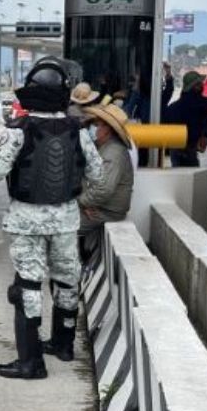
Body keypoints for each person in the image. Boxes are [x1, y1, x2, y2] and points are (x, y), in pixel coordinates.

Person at [0, 57, 104, 378]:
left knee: (28, 284)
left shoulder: (16, 131)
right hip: (66, 218)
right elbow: (97, 172)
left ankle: (30, 361)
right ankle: (63, 345)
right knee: (67, 278)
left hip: (27, 220)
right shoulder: (78, 131)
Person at [75, 103, 135, 284]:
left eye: (96, 124)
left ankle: (74, 275)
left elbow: (103, 189)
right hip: (98, 206)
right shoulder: (102, 148)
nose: (92, 128)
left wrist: (81, 202)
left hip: (106, 210)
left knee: (63, 227)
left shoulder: (113, 153)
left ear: (107, 129)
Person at [164, 71, 207, 167]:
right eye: (199, 84)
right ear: (193, 87)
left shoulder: (173, 107)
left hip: (177, 148)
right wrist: (205, 135)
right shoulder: (198, 106)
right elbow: (204, 122)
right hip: (190, 147)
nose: (202, 86)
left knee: (180, 175)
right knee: (192, 175)